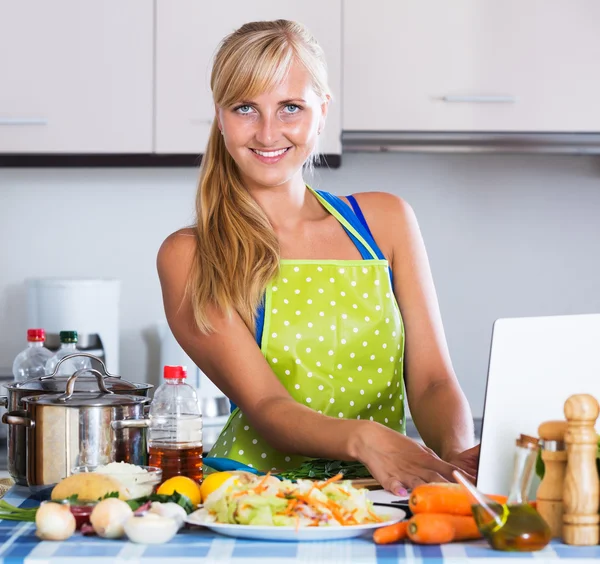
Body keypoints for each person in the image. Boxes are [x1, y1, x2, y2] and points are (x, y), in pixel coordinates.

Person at [157, 19, 479, 495]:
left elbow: (432, 382)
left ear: (322, 112)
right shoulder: (192, 255)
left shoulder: (385, 223)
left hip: (384, 492)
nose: (268, 133)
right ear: (220, 117)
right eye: (246, 108)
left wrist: (455, 463)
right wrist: (368, 438)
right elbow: (269, 408)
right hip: (255, 498)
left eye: (290, 107)